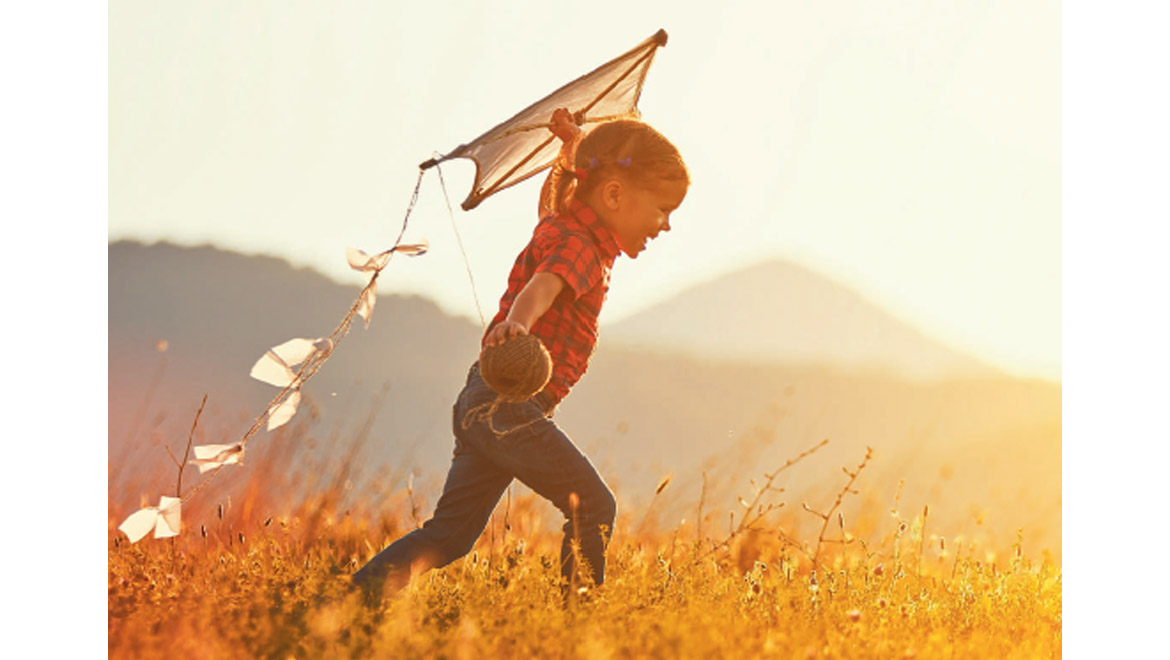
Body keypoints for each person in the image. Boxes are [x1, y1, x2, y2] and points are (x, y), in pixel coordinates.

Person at [351, 107, 690, 601]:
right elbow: (543, 286)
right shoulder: (580, 248)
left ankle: (353, 600)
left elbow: (555, 200)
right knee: (593, 505)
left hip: (481, 404)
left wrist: (571, 147)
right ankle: (578, 618)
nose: (665, 226)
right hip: (506, 409)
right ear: (614, 195)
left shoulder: (562, 224)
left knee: (449, 535)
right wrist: (518, 323)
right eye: (662, 209)